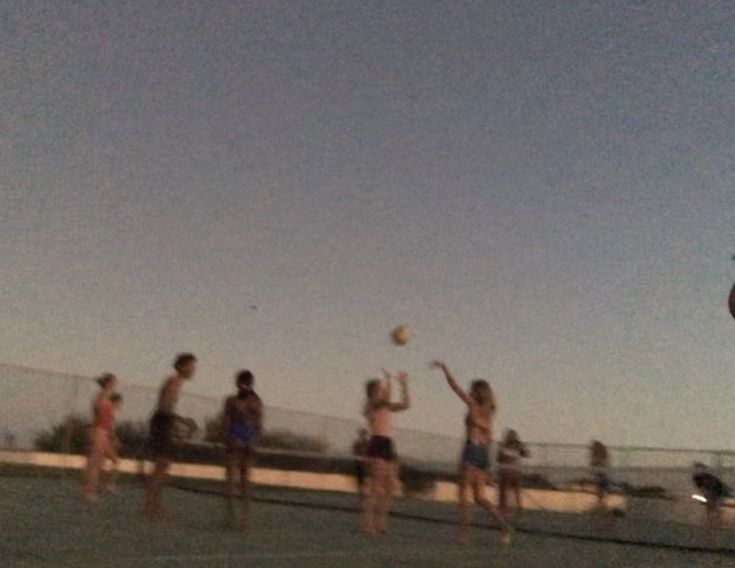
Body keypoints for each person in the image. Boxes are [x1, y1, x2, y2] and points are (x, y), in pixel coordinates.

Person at [431, 361, 511, 545]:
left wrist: (445, 368)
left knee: (464, 497)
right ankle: (504, 525)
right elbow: (489, 437)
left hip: (472, 450)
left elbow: (455, 388)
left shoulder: (473, 406)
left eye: (472, 389)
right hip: (482, 453)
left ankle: (465, 535)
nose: (469, 391)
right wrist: (488, 464)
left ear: (477, 392)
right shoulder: (490, 411)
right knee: (479, 498)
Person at [143, 352, 197, 519]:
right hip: (161, 423)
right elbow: (165, 408)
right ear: (181, 367)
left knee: (162, 466)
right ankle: (151, 506)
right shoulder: (173, 382)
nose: (193, 370)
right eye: (191, 366)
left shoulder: (176, 383)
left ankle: (152, 505)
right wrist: (183, 421)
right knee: (162, 466)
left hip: (163, 423)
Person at [360, 369, 410, 535]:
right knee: (376, 486)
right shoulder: (371, 406)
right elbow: (379, 400)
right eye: (379, 388)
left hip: (389, 444)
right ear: (373, 392)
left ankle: (381, 520)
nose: (382, 390)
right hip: (377, 443)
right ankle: (368, 523)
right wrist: (388, 381)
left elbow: (406, 404)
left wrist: (403, 384)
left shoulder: (386, 405)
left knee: (390, 486)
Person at [222, 370, 263, 530]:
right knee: (231, 479)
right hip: (234, 439)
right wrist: (226, 438)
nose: (241, 386)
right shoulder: (231, 401)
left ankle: (245, 518)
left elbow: (258, 424)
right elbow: (226, 421)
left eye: (244, 383)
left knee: (245, 480)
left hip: (247, 440)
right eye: (240, 383)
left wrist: (253, 442)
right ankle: (232, 516)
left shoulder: (256, 402)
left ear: (250, 384)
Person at [82, 373, 118, 502]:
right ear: (108, 383)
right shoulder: (101, 396)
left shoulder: (107, 397)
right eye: (114, 382)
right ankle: (89, 492)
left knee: (103, 461)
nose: (115, 384)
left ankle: (94, 489)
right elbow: (97, 412)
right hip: (98, 430)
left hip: (104, 431)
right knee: (95, 462)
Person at [692, 462, 731, 541]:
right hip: (716, 494)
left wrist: (709, 497)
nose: (697, 471)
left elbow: (713, 489)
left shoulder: (707, 478)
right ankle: (712, 524)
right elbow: (704, 490)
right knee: (712, 509)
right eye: (696, 469)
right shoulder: (697, 479)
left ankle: (715, 524)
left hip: (719, 493)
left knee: (714, 508)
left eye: (699, 469)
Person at [497, 429, 529, 520]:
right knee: (503, 492)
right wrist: (505, 458)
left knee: (516, 491)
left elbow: (526, 454)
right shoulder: (503, 447)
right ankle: (502, 510)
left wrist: (521, 446)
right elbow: (498, 458)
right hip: (504, 471)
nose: (511, 438)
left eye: (513, 436)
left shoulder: (517, 446)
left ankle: (519, 510)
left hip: (514, 472)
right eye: (510, 436)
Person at [352, 428, 370, 505]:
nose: (363, 435)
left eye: (364, 434)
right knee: (360, 482)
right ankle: (361, 497)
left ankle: (366, 496)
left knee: (366, 481)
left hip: (366, 466)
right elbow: (355, 453)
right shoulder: (357, 443)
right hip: (359, 466)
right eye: (362, 434)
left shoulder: (369, 444)